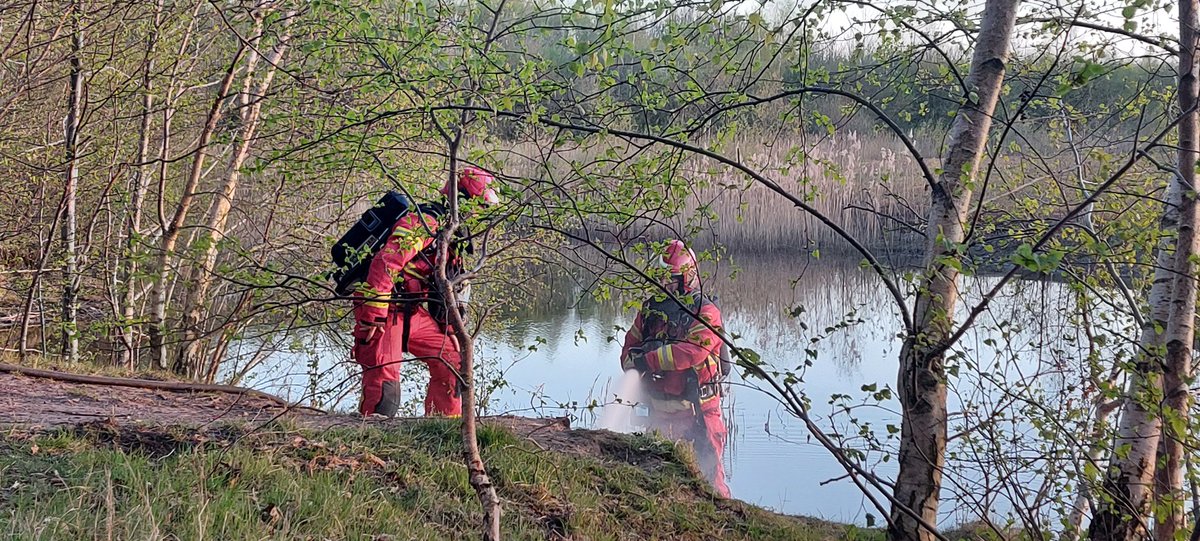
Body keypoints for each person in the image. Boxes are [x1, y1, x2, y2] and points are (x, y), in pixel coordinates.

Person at [352, 166, 499, 418]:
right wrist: (373, 314)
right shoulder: (424, 223)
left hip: (415, 313)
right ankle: (370, 443)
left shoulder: (452, 234)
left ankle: (444, 431)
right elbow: (386, 264)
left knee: (454, 365)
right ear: (461, 199)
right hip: (387, 313)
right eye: (480, 207)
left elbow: (445, 288)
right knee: (385, 388)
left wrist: (452, 329)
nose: (480, 215)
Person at [620, 239, 731, 497]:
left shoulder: (705, 312)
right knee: (659, 484)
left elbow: (693, 352)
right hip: (658, 415)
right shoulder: (650, 312)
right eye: (659, 277)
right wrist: (633, 362)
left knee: (709, 484)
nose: (663, 284)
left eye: (669, 278)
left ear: (687, 277)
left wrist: (647, 359)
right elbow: (628, 351)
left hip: (698, 416)